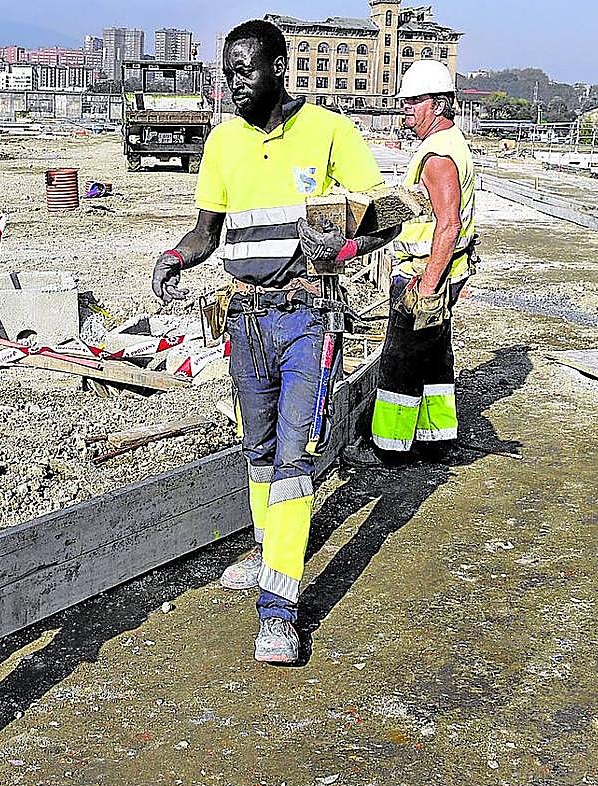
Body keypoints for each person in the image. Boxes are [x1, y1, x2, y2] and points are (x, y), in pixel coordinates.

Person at [151, 19, 398, 664]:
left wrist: (337, 247)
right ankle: (271, 558)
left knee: (294, 454)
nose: (231, 81)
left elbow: (387, 211)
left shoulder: (328, 131)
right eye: (226, 68)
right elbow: (209, 229)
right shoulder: (222, 142)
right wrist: (177, 256)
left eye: (246, 68)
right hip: (241, 317)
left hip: (307, 317)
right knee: (258, 449)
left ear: (282, 68)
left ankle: (278, 607)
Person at [343, 60, 477, 467]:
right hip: (443, 271)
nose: (405, 109)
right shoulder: (452, 143)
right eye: (404, 101)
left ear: (437, 104)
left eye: (414, 102)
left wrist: (426, 287)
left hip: (423, 274)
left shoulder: (438, 156)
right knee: (435, 359)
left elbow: (448, 224)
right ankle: (436, 439)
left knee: (400, 360)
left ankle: (390, 447)